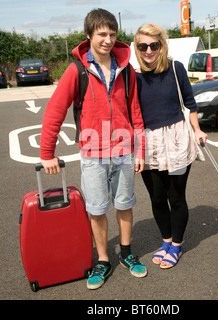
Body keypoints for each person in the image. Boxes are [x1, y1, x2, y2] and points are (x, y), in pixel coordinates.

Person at [39, 9, 147, 290]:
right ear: (89, 36)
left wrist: (141, 151)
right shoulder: (76, 70)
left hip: (124, 149)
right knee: (97, 209)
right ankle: (102, 259)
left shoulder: (127, 70)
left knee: (125, 205)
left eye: (112, 34)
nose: (108, 40)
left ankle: (126, 253)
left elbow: (135, 111)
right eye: (102, 34)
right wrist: (47, 153)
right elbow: (55, 111)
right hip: (93, 153)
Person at [134, 24, 208, 269]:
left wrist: (197, 130)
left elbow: (190, 103)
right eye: (143, 46)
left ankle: (176, 245)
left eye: (154, 45)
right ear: (137, 47)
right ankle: (165, 241)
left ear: (161, 45)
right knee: (156, 197)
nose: (148, 51)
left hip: (176, 141)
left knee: (176, 197)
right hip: (147, 143)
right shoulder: (133, 76)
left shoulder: (176, 68)